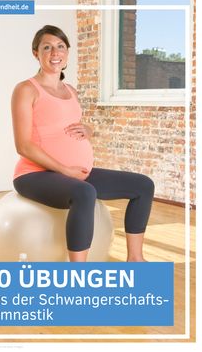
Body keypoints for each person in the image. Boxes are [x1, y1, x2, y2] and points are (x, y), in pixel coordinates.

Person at [11, 25, 154, 262]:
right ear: (36, 53)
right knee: (85, 193)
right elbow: (23, 145)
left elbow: (65, 127)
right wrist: (65, 170)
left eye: (60, 46)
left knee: (143, 186)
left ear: (67, 52)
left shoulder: (71, 91)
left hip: (77, 173)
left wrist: (89, 130)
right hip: (34, 175)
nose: (54, 52)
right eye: (47, 47)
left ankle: (136, 259)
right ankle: (78, 276)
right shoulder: (26, 89)